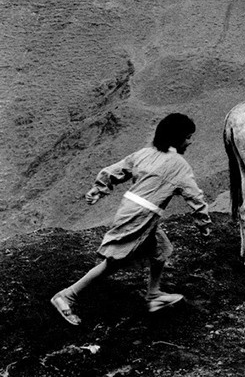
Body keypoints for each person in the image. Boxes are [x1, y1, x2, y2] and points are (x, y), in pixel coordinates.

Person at [51, 112, 212, 325]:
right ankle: (66, 296)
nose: (190, 141)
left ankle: (153, 295)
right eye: (188, 136)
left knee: (161, 250)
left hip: (133, 211)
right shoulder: (179, 165)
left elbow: (118, 169)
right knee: (114, 262)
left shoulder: (145, 153)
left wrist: (98, 189)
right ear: (177, 137)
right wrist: (203, 222)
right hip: (139, 217)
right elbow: (194, 195)